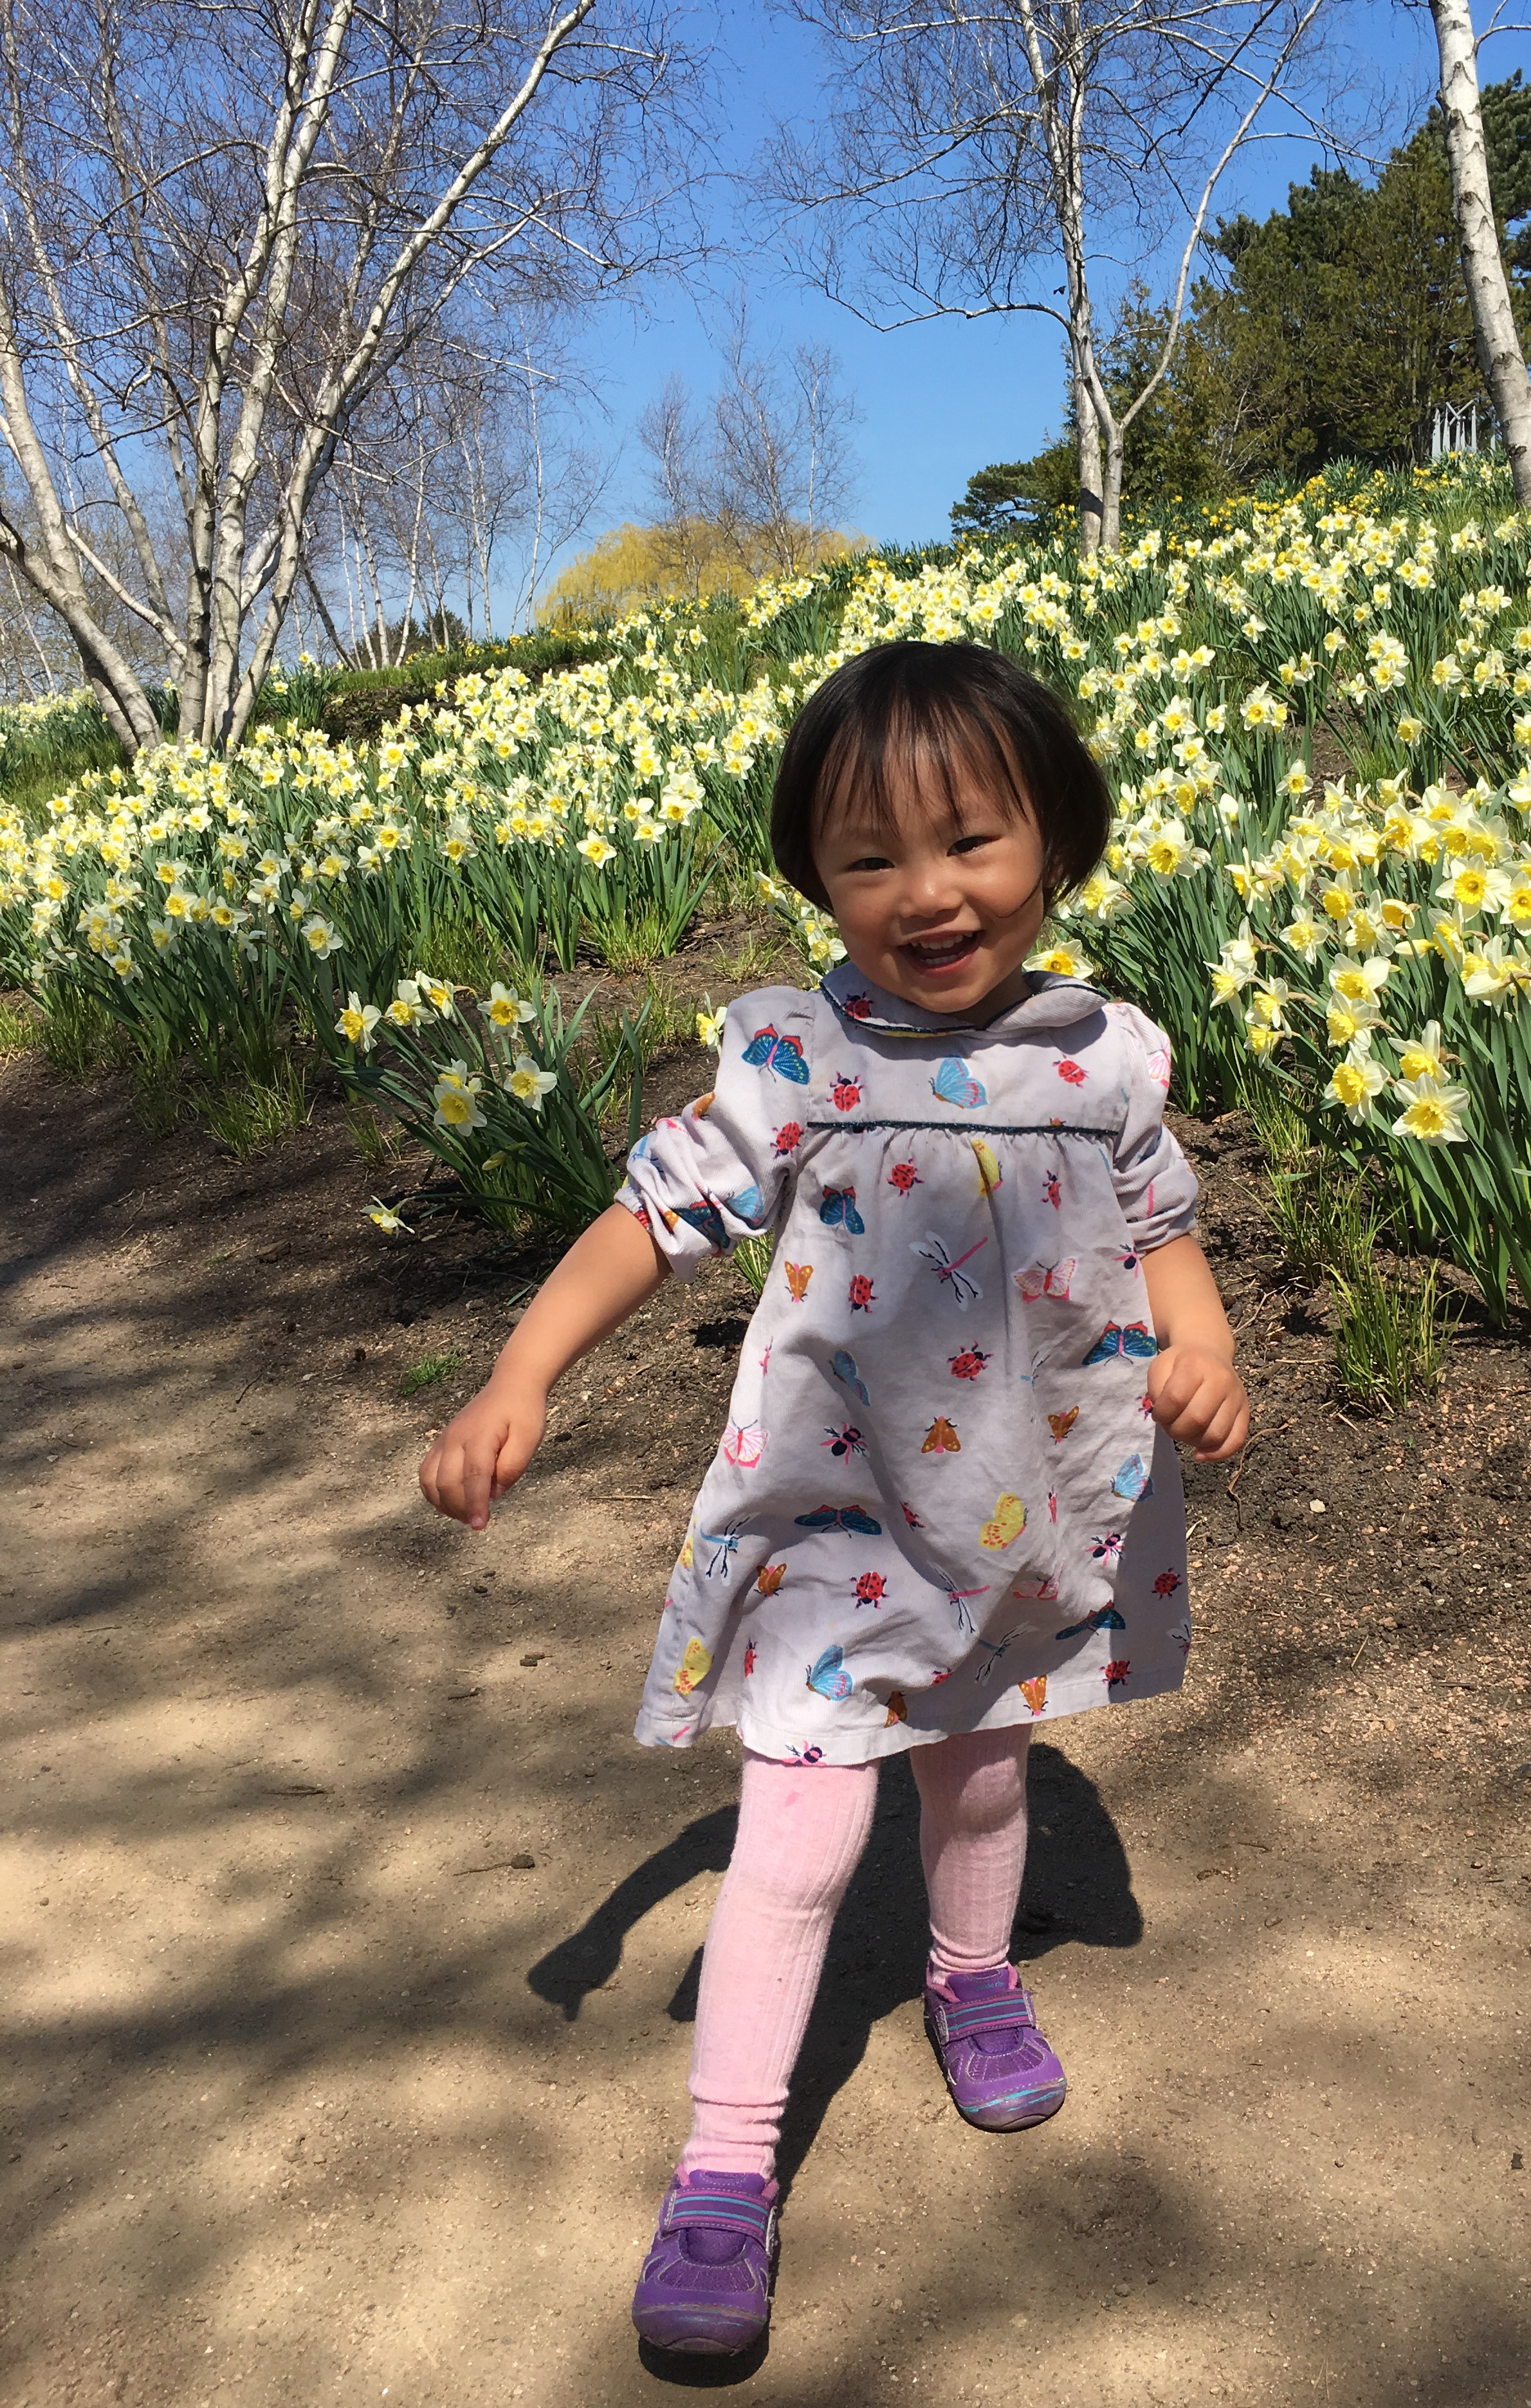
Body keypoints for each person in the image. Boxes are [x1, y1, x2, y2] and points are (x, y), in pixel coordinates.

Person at [419, 639, 1249, 2355]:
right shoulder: (794, 1060)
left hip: (1023, 1508)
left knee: (985, 1774)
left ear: (1059, 840)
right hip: (835, 1521)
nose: (925, 893)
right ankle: (725, 2169)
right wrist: (520, 1374)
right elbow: (651, 1218)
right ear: (816, 878)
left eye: (971, 842)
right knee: (795, 1839)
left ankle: (972, 1977)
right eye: (869, 859)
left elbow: (1164, 1229)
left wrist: (1206, 1349)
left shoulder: (1105, 1060)